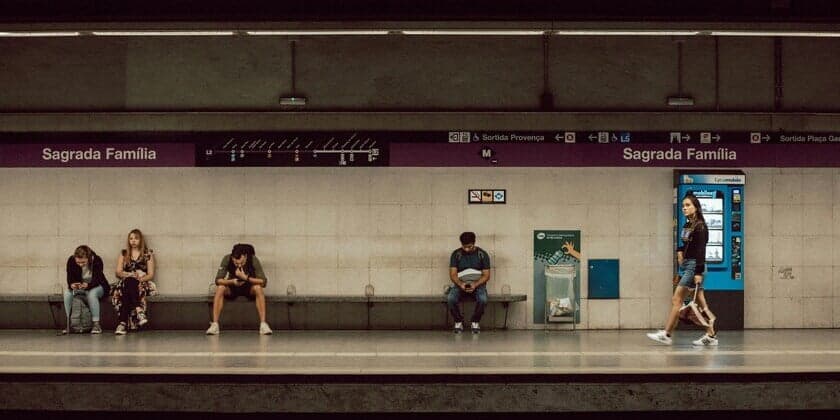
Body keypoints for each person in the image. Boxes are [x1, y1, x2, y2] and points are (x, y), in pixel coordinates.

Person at [647, 194, 718, 346]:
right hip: (686, 266)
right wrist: (679, 252)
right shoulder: (688, 225)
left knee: (677, 299)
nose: (684, 208)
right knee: (702, 303)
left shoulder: (700, 227)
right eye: (683, 206)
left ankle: (666, 334)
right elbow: (684, 244)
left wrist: (698, 272)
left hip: (694, 266)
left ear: (696, 207)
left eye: (688, 205)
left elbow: (700, 251)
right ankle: (711, 335)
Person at [206, 243, 272, 335]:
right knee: (220, 288)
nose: (239, 265)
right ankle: (215, 325)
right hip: (233, 286)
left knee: (258, 288)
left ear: (245, 256)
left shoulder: (253, 259)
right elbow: (218, 280)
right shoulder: (227, 259)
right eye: (236, 263)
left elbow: (263, 282)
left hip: (249, 286)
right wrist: (232, 281)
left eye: (242, 263)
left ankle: (263, 324)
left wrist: (246, 278)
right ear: (232, 258)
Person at [112, 229, 157, 336]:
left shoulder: (148, 253)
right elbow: (118, 272)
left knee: (129, 286)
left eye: (136, 238)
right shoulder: (124, 253)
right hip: (126, 280)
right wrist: (129, 275)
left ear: (141, 240)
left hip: (142, 282)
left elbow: (150, 274)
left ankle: (122, 324)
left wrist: (139, 279)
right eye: (131, 238)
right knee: (128, 283)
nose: (133, 241)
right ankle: (139, 311)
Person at [447, 232, 491, 334]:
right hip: (460, 284)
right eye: (464, 247)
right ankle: (458, 321)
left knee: (483, 299)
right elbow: (453, 274)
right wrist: (460, 284)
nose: (467, 249)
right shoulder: (456, 254)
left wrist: (475, 284)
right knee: (451, 298)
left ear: (474, 243)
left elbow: (486, 275)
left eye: (469, 247)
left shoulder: (482, 255)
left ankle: (475, 321)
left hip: (478, 285)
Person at [63, 245, 110, 334]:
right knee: (67, 293)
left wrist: (88, 285)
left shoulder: (97, 260)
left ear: (88, 258)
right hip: (82, 287)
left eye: (83, 262)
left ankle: (96, 324)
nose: (80, 265)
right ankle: (69, 324)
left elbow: (98, 278)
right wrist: (72, 284)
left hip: (98, 286)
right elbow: (70, 278)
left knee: (92, 294)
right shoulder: (71, 260)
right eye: (78, 262)